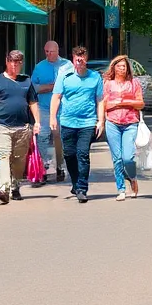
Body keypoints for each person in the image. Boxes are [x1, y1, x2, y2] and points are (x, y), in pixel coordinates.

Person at [0, 50, 41, 205]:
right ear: (7, 61)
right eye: (12, 61)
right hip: (1, 125)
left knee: (18, 159)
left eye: (18, 62)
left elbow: (33, 102)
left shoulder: (26, 81)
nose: (15, 65)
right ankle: (4, 188)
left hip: (23, 127)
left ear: (21, 63)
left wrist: (37, 122)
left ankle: (15, 185)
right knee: (4, 156)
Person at [50, 46, 105, 203]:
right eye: (76, 59)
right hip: (67, 121)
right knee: (69, 154)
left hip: (87, 122)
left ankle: (82, 188)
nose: (79, 62)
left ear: (86, 59)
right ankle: (75, 183)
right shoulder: (65, 76)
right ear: (73, 59)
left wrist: (101, 121)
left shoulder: (95, 77)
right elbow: (57, 97)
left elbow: (100, 100)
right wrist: (53, 118)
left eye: (82, 59)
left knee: (82, 154)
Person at [103, 55, 145, 201]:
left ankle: (132, 178)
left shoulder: (134, 83)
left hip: (130, 123)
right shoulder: (108, 84)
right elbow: (105, 105)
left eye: (124, 66)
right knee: (117, 158)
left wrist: (123, 101)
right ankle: (121, 189)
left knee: (128, 157)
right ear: (113, 67)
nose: (122, 68)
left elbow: (140, 104)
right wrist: (121, 103)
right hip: (112, 122)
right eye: (119, 66)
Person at [31, 41, 71, 185]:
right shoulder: (40, 66)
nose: (48, 54)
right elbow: (33, 87)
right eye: (46, 51)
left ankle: (60, 166)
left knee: (59, 137)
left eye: (51, 52)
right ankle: (43, 167)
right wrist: (50, 87)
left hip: (62, 108)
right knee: (42, 136)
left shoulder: (67, 65)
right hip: (44, 107)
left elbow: (71, 85)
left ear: (57, 50)